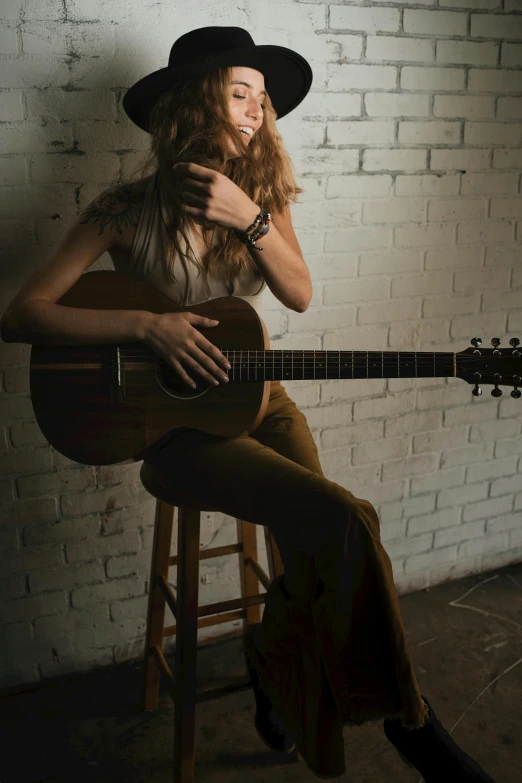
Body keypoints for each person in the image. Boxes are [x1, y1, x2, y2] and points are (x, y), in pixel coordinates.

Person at [0, 26, 496, 783]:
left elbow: (297, 293)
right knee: (342, 519)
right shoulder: (125, 210)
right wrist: (145, 324)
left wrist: (249, 217)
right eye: (241, 92)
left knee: (333, 532)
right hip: (176, 435)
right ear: (195, 103)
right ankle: (410, 724)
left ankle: (277, 659)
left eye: (263, 100)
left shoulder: (257, 197)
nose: (256, 111)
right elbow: (21, 313)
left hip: (260, 401)